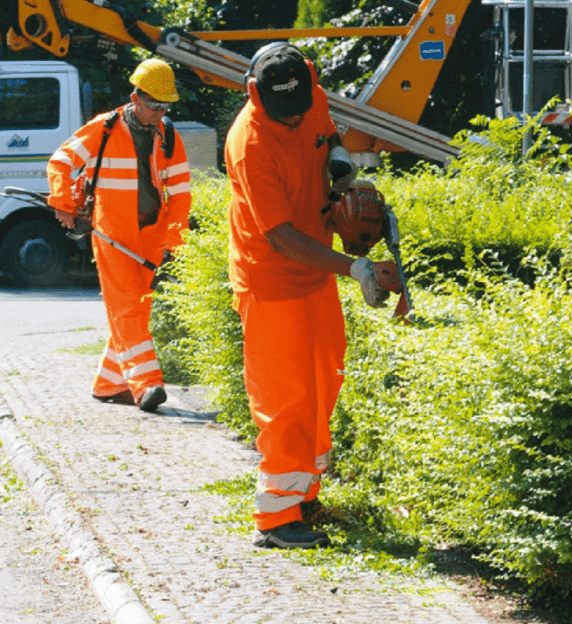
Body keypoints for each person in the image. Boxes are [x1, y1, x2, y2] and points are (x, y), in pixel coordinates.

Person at [225, 42, 393, 549]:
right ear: (255, 95)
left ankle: (305, 496)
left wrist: (340, 162)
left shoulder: (307, 95)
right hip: (271, 280)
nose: (296, 121)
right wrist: (356, 267)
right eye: (286, 116)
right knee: (286, 400)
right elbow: (280, 237)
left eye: (301, 109)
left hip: (315, 275)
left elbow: (327, 129)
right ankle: (276, 518)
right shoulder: (248, 142)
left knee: (324, 385)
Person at [47, 58, 192, 413]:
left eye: (165, 106)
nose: (160, 113)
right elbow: (60, 163)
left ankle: (109, 384)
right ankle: (147, 385)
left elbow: (181, 191)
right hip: (112, 235)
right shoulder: (104, 128)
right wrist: (63, 202)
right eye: (154, 105)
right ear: (135, 97)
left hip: (151, 237)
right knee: (128, 308)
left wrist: (174, 239)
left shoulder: (168, 135)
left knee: (136, 311)